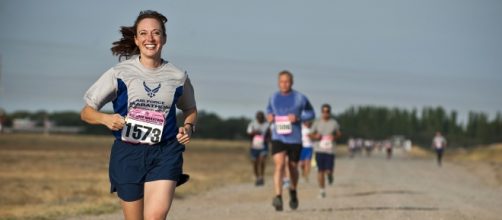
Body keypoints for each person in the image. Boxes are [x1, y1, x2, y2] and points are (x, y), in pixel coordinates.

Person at [80, 10, 197, 220]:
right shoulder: (119, 73)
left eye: (156, 33)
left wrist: (188, 127)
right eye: (143, 33)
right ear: (136, 38)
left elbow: (190, 109)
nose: (150, 39)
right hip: (128, 154)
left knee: (155, 217)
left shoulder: (177, 76)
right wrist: (107, 119)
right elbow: (87, 112)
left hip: (165, 151)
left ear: (164, 38)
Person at [266, 70, 315, 211]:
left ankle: (293, 191)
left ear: (292, 82)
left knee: (293, 167)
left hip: (294, 138)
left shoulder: (300, 98)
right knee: (279, 165)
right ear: (278, 82)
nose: (284, 84)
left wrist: (299, 118)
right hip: (278, 137)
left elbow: (311, 113)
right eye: (281, 81)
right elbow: (269, 110)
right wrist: (269, 116)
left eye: (287, 81)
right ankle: (278, 197)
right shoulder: (273, 97)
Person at [310, 104, 341, 198]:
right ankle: (322, 190)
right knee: (320, 171)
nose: (325, 113)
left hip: (330, 150)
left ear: (330, 112)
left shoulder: (334, 123)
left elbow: (339, 133)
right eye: (324, 111)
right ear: (321, 112)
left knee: (328, 170)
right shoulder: (317, 122)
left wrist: (334, 137)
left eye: (327, 111)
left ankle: (330, 175)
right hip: (319, 149)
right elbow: (310, 134)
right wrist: (315, 136)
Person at [246, 111, 270, 186]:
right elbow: (248, 132)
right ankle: (257, 177)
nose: (260, 119)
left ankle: (262, 176)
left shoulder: (267, 124)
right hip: (254, 146)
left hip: (263, 146)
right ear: (256, 118)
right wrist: (255, 132)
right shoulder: (252, 124)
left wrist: (267, 139)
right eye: (258, 118)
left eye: (261, 118)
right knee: (255, 162)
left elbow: (270, 133)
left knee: (262, 160)